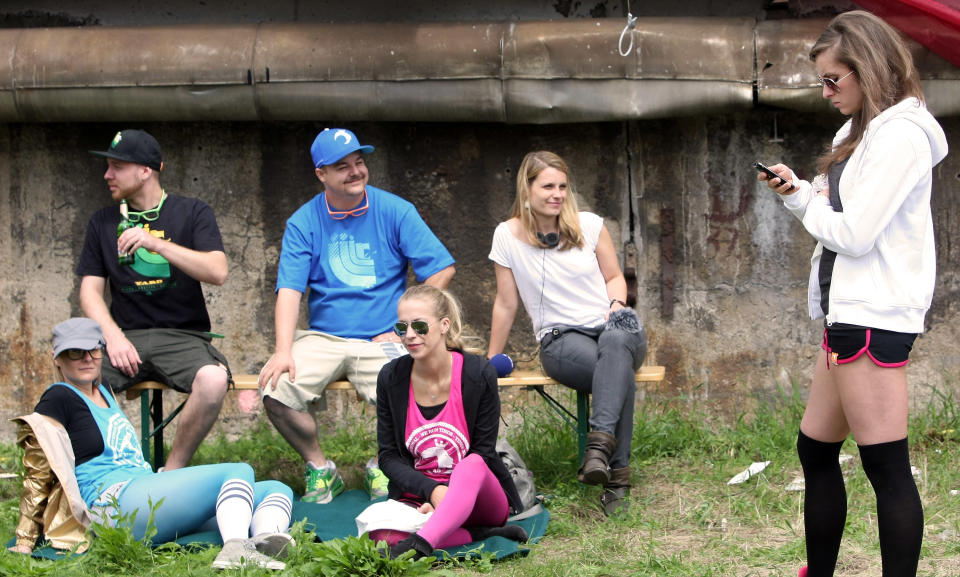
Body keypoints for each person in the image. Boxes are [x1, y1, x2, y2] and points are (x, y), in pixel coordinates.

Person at [758, 11, 948, 577]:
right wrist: (803, 190)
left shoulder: (902, 136)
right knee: (815, 451)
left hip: (873, 316)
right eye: (822, 80)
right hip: (846, 313)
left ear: (868, 68)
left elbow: (856, 233)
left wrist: (801, 202)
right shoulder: (857, 131)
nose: (824, 92)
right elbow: (838, 211)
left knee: (886, 468)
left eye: (833, 79)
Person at [258, 128, 456, 504]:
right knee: (275, 391)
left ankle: (384, 464)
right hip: (324, 338)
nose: (354, 172)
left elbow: (441, 269)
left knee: (417, 387)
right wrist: (283, 350)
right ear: (322, 174)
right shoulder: (304, 221)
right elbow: (289, 290)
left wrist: (406, 329)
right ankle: (320, 468)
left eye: (359, 162)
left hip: (385, 335)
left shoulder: (395, 210)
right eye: (341, 166)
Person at [9, 318, 294, 570]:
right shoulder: (57, 397)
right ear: (56, 358)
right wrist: (25, 539)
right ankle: (236, 548)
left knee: (275, 489)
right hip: (111, 504)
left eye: (93, 350)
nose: (86, 358)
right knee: (239, 471)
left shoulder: (104, 388)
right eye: (74, 352)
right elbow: (38, 470)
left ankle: (263, 543)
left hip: (140, 490)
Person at [487, 151, 647, 516]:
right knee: (616, 372)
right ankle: (617, 479)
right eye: (547, 186)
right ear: (526, 190)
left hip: (614, 326)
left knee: (616, 342)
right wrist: (489, 361)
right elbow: (506, 303)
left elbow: (613, 277)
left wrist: (617, 306)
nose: (557, 194)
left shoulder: (589, 225)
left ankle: (598, 452)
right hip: (562, 339)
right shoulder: (507, 236)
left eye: (562, 186)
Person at [79, 129, 230, 471]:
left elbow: (218, 271)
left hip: (183, 336)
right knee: (74, 381)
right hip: (125, 339)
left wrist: (156, 244)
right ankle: (108, 471)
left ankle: (170, 473)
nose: (107, 175)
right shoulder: (102, 221)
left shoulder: (192, 212)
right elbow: (89, 291)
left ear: (145, 170)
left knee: (214, 380)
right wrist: (112, 336)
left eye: (116, 166)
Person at [373, 285, 527, 559]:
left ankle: (420, 545)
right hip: (421, 496)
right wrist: (432, 492)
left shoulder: (478, 375)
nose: (409, 335)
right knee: (379, 536)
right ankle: (477, 534)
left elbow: (483, 452)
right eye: (402, 327)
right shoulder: (391, 378)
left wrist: (447, 501)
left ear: (444, 325)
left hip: (480, 498)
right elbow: (388, 457)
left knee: (473, 463)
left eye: (419, 325)